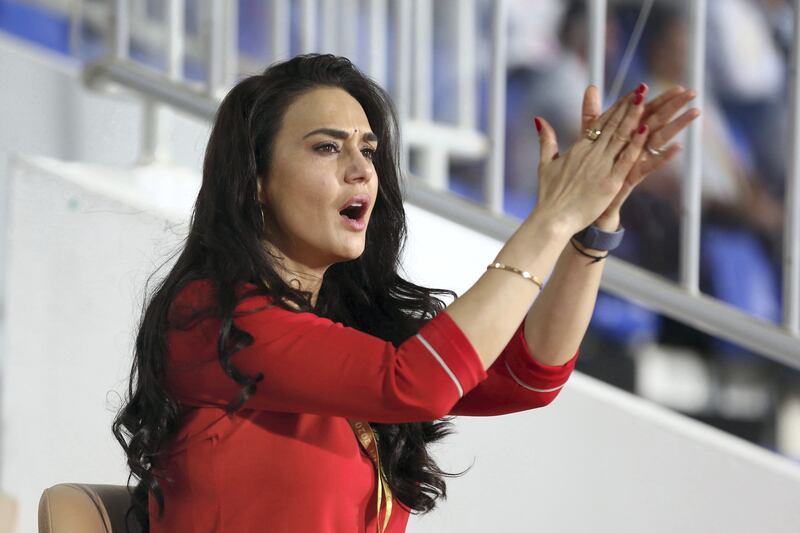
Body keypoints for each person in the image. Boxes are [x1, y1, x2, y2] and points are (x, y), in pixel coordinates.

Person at [112, 54, 698, 532]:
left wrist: (586, 229)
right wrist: (547, 221)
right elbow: (419, 383)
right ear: (256, 181)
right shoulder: (209, 315)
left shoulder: (349, 329)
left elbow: (529, 377)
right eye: (326, 147)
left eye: (367, 149)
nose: (361, 169)